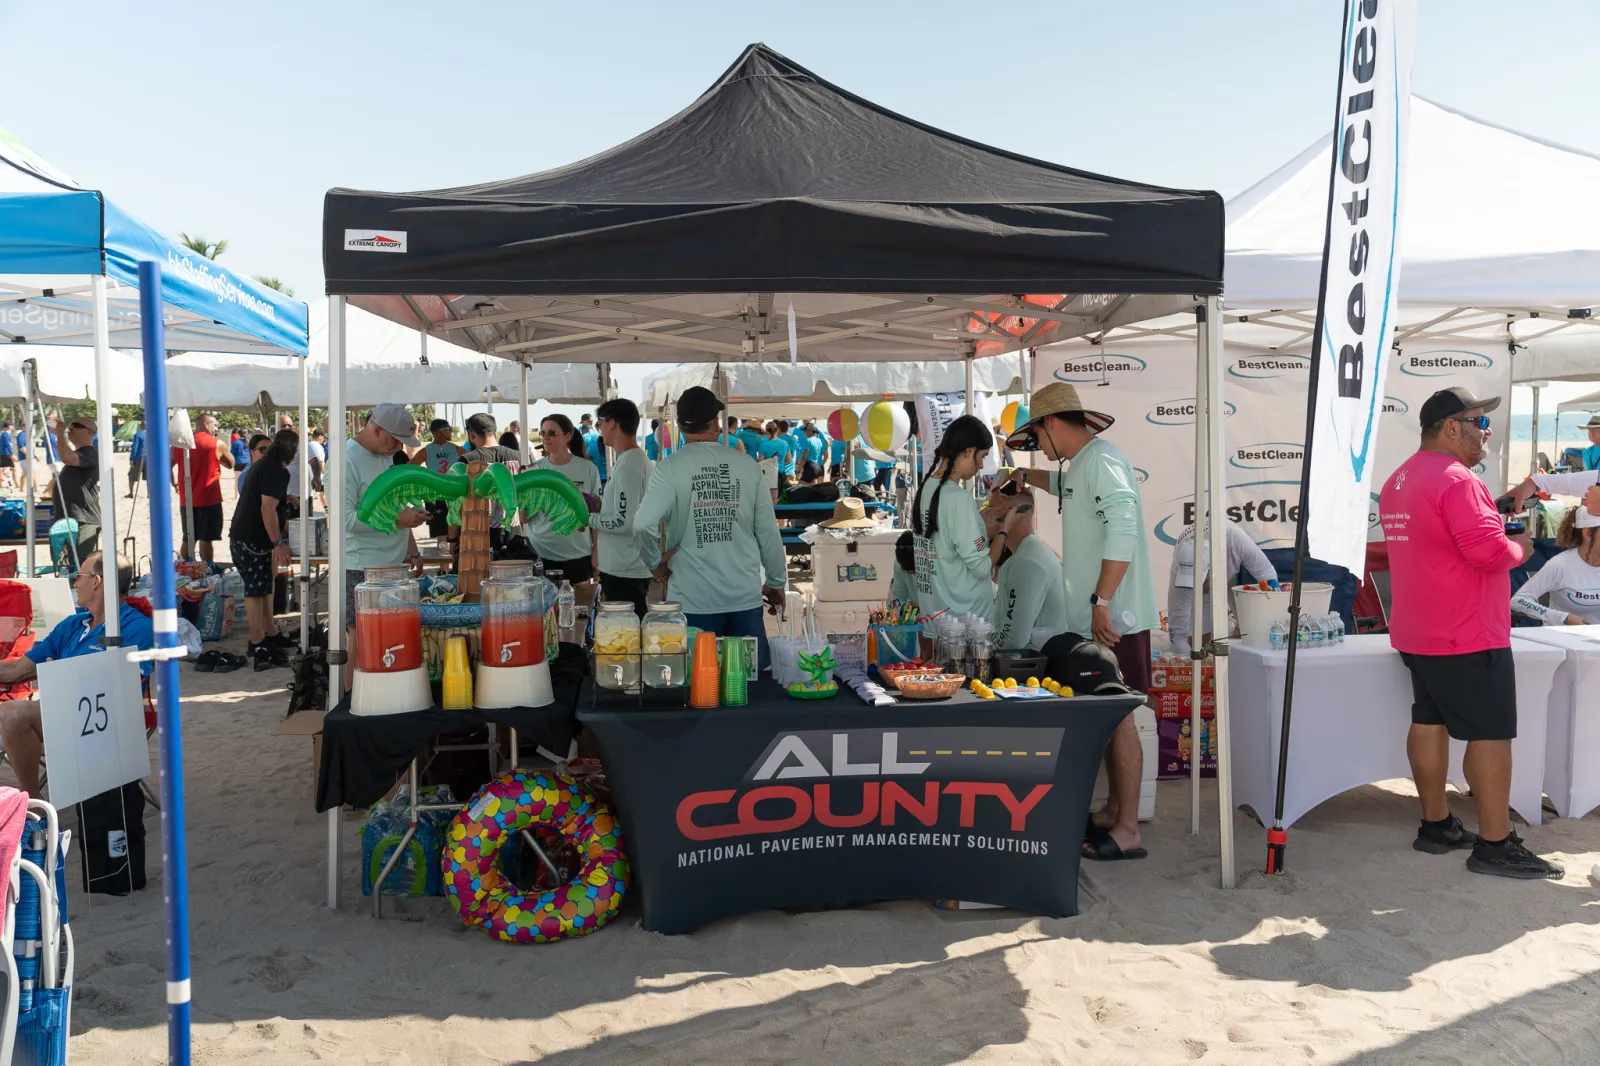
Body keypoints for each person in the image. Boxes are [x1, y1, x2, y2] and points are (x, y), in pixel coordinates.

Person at [1379, 385, 1558, 879]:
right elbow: (1488, 553)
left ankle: (1436, 825)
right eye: (1479, 423)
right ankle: (1496, 844)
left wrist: (1494, 525)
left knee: (1429, 721)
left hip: (1418, 629)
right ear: (1450, 427)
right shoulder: (1458, 479)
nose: (1487, 432)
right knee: (1492, 735)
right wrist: (1520, 545)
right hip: (1468, 632)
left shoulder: (1399, 478)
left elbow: (1443, 541)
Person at [1003, 381, 1157, 862]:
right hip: (1101, 614)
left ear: (1050, 424)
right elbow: (1062, 485)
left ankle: (1129, 829)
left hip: (1116, 617)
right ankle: (1114, 809)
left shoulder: (1102, 459)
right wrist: (1025, 477)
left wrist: (1101, 599)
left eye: (1037, 440)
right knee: (1109, 718)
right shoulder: (1081, 465)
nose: (1040, 451)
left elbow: (1125, 526)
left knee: (1122, 718)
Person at [634, 387, 787, 667]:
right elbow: (768, 532)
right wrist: (776, 581)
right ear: (717, 423)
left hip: (693, 599)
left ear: (679, 425)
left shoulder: (669, 467)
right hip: (744, 596)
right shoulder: (747, 466)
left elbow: (643, 524)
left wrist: (654, 563)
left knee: (698, 690)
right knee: (749, 690)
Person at [0, 552, 153, 796]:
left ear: (97, 581)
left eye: (78, 576)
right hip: (62, 712)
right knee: (11, 712)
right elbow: (17, 670)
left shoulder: (138, 628)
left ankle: (33, 805)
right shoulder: (72, 625)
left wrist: (62, 675)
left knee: (11, 713)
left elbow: (124, 684)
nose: (74, 583)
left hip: (103, 719)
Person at [342, 404, 425, 691]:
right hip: (362, 567)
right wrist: (399, 519)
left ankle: (382, 697)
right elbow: (346, 520)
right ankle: (350, 701)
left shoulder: (384, 454)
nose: (399, 447)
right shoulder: (346, 459)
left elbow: (394, 504)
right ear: (376, 430)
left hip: (392, 565)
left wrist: (411, 544)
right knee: (361, 639)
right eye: (396, 439)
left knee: (388, 641)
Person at [910, 415, 995, 621]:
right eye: (982, 456)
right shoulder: (958, 498)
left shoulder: (926, 488)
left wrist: (980, 520)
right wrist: (1004, 530)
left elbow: (945, 541)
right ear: (968, 451)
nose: (981, 466)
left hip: (939, 617)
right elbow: (982, 568)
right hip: (968, 625)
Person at [231, 429, 296, 669]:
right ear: (292, 452)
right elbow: (266, 508)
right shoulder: (275, 470)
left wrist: (285, 498)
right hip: (251, 539)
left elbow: (265, 499)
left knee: (264, 588)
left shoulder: (266, 467)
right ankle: (257, 643)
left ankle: (268, 634)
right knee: (256, 591)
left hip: (248, 537)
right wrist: (278, 543)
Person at [1166, 518, 1277, 652]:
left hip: (1231, 562)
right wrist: (1188, 666)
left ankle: (1234, 625)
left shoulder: (1236, 540)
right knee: (1198, 642)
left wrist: (1275, 624)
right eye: (1192, 584)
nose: (1197, 587)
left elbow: (1269, 576)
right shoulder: (1180, 576)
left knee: (1250, 627)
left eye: (1201, 581)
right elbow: (1177, 638)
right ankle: (1229, 626)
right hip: (1208, 568)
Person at [592, 399, 654, 615]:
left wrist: (588, 518)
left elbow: (623, 521)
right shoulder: (628, 460)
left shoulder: (630, 464)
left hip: (626, 568)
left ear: (612, 423)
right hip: (622, 566)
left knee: (625, 637)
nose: (600, 430)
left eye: (600, 423)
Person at [992, 494, 1070, 648]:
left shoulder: (1026, 561)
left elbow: (1014, 640)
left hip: (1037, 666)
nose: (984, 516)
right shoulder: (1026, 555)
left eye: (991, 510)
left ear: (1011, 514)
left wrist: (986, 651)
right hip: (1037, 661)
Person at [529, 415, 600, 584]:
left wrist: (597, 551)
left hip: (578, 553)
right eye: (543, 432)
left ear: (567, 437)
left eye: (552, 433)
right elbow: (524, 517)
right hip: (542, 552)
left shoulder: (588, 469)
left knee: (578, 606)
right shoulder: (534, 469)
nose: (546, 437)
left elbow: (596, 515)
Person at [1510, 505, 1600, 625]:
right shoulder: (1561, 565)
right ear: (1588, 533)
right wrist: (1564, 618)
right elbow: (1518, 601)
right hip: (1563, 639)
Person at [172, 412, 233, 561]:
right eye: (215, 425)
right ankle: (207, 568)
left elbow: (167, 464)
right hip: (209, 498)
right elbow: (231, 463)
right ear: (206, 424)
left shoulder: (180, 444)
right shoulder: (216, 443)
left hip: (186, 499)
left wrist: (174, 482)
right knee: (206, 539)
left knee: (188, 538)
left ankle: (185, 568)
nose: (216, 428)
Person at [50, 415, 102, 562]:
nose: (71, 428)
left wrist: (61, 435)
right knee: (68, 565)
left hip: (83, 519)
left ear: (90, 432)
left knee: (81, 565)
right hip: (73, 518)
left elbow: (67, 457)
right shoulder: (81, 454)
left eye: (77, 425)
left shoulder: (90, 452)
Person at [762, 421, 795, 491]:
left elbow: (761, 463)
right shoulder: (785, 444)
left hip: (769, 476)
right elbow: (789, 461)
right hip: (782, 475)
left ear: (767, 432)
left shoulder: (763, 445)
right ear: (777, 430)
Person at [578, 413, 607, 484]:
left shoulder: (582, 437)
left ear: (585, 422)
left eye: (582, 422)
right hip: (606, 473)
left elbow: (582, 457)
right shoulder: (599, 436)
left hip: (590, 473)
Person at [126, 421, 146, 497]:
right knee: (150, 478)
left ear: (141, 426)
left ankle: (131, 493)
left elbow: (135, 447)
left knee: (132, 476)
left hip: (139, 457)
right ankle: (149, 494)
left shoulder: (138, 434)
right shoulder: (153, 434)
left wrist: (131, 459)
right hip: (150, 458)